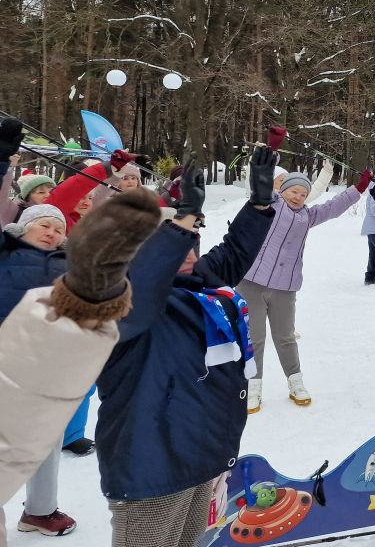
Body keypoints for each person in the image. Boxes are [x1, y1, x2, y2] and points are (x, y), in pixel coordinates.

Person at [96, 147, 278, 547]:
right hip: (151, 470)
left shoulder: (200, 285)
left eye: (193, 242)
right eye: (177, 244)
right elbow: (140, 292)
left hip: (202, 459)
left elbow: (234, 251)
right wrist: (178, 227)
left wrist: (260, 204)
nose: (189, 253)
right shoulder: (119, 302)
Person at [0, 187, 162, 542]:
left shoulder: (71, 262)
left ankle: (39, 511)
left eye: (58, 228)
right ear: (20, 229)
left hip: (47, 376)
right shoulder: (5, 253)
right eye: (42, 224)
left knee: (44, 445)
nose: (52, 232)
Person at [239, 165, 371, 413]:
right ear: (283, 190)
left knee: (285, 337)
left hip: (285, 287)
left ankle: (295, 382)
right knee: (253, 338)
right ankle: (252, 386)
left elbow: (334, 207)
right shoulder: (270, 205)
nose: (297, 197)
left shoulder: (308, 216)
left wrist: (359, 188)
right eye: (293, 191)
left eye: (302, 193)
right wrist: (271, 151)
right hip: (252, 282)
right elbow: (260, 183)